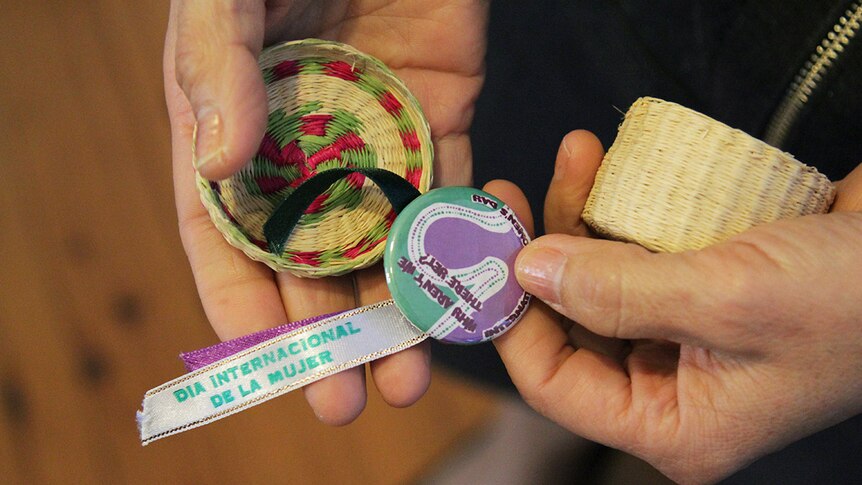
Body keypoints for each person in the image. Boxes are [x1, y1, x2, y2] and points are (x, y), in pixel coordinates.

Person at [164, 1, 862, 483]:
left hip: (833, 359)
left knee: (779, 444)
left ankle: (558, 419)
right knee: (527, 187)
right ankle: (542, 418)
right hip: (576, 43)